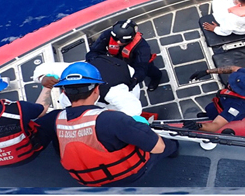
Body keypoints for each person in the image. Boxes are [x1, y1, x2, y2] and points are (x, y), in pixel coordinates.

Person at [37, 62, 178, 186]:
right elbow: (158, 148)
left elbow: (38, 113)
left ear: (64, 92)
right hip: (130, 174)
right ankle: (175, 149)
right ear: (96, 89)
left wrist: (46, 86)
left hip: (87, 180)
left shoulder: (53, 119)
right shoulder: (112, 119)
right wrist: (142, 128)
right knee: (165, 144)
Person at [36, 56, 143, 116]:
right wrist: (42, 77)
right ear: (65, 90)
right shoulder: (71, 71)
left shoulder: (114, 92)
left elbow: (134, 109)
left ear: (96, 90)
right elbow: (41, 69)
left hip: (126, 78)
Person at [87, 19, 164, 92]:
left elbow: (141, 67)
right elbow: (94, 51)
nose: (118, 42)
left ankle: (157, 77)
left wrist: (135, 79)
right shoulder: (107, 35)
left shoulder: (143, 47)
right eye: (115, 38)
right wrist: (96, 62)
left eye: (123, 40)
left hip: (135, 61)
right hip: (117, 60)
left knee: (150, 70)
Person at [185, 68, 245, 133]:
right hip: (223, 102)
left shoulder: (238, 107)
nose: (229, 84)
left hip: (226, 110)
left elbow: (216, 125)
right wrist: (207, 71)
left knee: (213, 115)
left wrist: (198, 126)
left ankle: (209, 116)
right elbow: (232, 68)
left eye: (233, 87)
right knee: (210, 108)